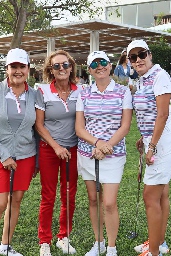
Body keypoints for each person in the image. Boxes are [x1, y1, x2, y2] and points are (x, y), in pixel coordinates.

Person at [126, 40, 171, 256]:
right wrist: (144, 138)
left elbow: (162, 114)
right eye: (133, 57)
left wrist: (151, 145)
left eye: (141, 54)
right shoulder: (143, 79)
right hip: (155, 139)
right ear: (130, 62)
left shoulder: (160, 76)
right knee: (161, 195)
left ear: (149, 54)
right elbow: (147, 114)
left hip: (163, 143)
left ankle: (154, 252)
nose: (138, 59)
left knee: (150, 197)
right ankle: (158, 242)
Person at [0, 48, 37, 256]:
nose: (18, 71)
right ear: (7, 69)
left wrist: (37, 160)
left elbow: (37, 128)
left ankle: (5, 246)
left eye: (22, 66)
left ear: (28, 69)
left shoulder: (34, 94)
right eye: (14, 67)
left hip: (26, 155)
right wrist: (3, 155)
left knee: (16, 200)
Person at [75, 51, 133, 256]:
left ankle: (111, 247)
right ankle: (98, 242)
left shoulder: (123, 91)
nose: (99, 67)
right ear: (89, 70)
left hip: (113, 154)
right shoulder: (83, 93)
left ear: (110, 66)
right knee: (93, 199)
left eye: (103, 63)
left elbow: (125, 126)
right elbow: (80, 128)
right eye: (94, 64)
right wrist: (98, 143)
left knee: (108, 202)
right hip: (88, 152)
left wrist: (107, 146)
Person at [35, 50, 83, 256]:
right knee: (48, 196)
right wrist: (56, 146)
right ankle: (44, 240)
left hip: (72, 150)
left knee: (69, 194)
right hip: (49, 150)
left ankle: (63, 236)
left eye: (65, 65)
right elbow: (39, 125)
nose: (61, 69)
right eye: (56, 66)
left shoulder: (80, 91)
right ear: (50, 70)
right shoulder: (42, 91)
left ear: (71, 67)